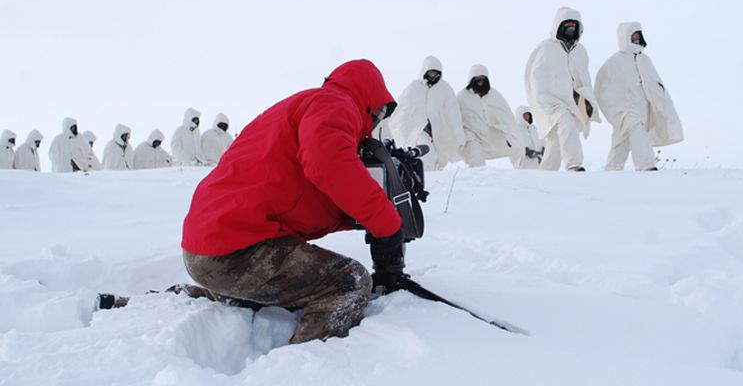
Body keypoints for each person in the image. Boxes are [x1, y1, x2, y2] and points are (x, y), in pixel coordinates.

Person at [179, 59, 404, 344]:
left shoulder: (305, 104)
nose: (375, 122)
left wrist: (357, 217)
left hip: (210, 244)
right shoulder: (336, 103)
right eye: (380, 111)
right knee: (348, 282)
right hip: (235, 250)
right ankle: (297, 374)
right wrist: (387, 225)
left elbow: (300, 191)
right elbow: (328, 164)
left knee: (293, 284)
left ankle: (197, 295)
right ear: (370, 98)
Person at [595, 22, 683, 171]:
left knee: (621, 141)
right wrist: (614, 110)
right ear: (624, 37)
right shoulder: (613, 63)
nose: (636, 38)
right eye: (632, 35)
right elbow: (602, 89)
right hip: (623, 110)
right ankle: (646, 165)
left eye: (638, 35)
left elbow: (656, 86)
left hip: (641, 109)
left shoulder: (645, 60)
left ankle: (611, 171)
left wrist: (663, 105)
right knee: (635, 128)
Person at [524, 7, 600, 171]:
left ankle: (546, 172)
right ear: (559, 25)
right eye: (567, 24)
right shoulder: (546, 48)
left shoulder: (580, 51)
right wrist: (541, 98)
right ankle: (574, 164)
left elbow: (583, 78)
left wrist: (587, 99)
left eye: (574, 25)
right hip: (549, 100)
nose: (571, 28)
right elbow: (536, 76)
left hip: (569, 101)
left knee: (556, 138)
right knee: (567, 122)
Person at [389, 56, 466, 171]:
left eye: (435, 73)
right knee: (428, 154)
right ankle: (427, 179)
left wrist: (459, 135)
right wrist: (402, 131)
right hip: (417, 130)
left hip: (437, 129)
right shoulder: (414, 88)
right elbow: (402, 112)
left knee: (440, 158)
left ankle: (434, 179)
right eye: (430, 72)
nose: (433, 76)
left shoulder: (444, 89)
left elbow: (453, 113)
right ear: (425, 71)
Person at [457, 64, 523, 167]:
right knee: (476, 156)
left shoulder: (493, 94)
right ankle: (476, 178)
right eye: (477, 78)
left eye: (483, 78)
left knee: (517, 146)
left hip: (490, 132)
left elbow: (504, 114)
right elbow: (455, 117)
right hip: (471, 134)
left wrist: (508, 132)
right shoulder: (462, 97)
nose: (480, 81)